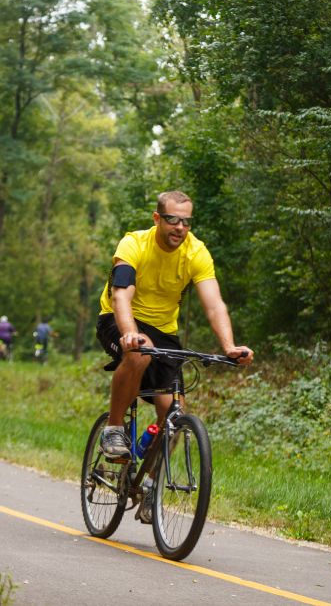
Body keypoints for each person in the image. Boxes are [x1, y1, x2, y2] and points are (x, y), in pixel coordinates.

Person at [96, 190, 253, 459]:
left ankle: (150, 486)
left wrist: (229, 346)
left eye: (186, 222)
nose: (180, 228)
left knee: (174, 414)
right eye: (172, 219)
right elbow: (121, 294)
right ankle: (114, 427)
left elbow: (214, 305)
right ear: (157, 218)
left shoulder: (196, 252)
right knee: (140, 350)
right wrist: (130, 333)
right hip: (119, 318)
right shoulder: (133, 244)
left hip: (164, 330)